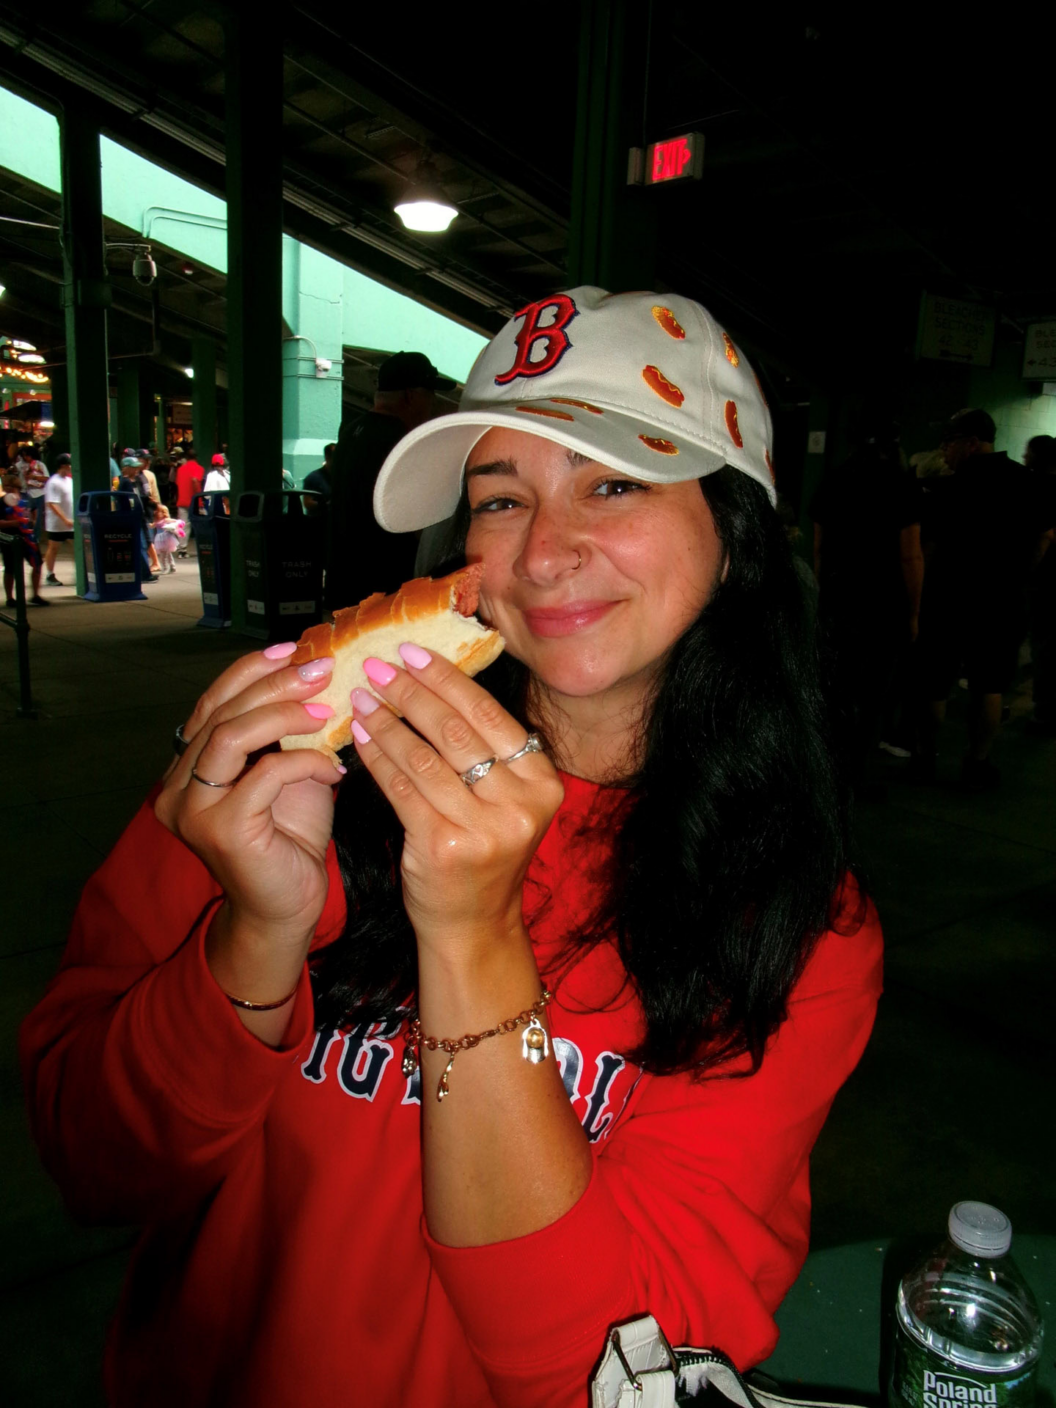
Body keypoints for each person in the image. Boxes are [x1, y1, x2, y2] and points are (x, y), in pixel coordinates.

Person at [20, 288, 882, 1408]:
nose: (546, 550)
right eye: (501, 495)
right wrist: (255, 934)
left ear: (734, 534)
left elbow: (611, 1373)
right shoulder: (281, 767)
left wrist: (471, 936)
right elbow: (91, 1159)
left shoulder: (800, 923)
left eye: (613, 481)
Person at [913, 409, 1055, 787]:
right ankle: (977, 762)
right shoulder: (1029, 483)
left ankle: (925, 758)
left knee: (934, 683)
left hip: (947, 600)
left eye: (949, 442)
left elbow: (928, 549)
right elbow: (1045, 535)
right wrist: (1022, 574)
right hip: (1002, 601)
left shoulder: (948, 489)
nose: (943, 451)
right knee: (989, 686)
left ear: (971, 443)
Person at [810, 415, 922, 795]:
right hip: (884, 604)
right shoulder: (903, 486)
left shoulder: (835, 479)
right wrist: (913, 612)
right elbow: (911, 557)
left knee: (834, 690)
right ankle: (854, 774)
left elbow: (820, 549)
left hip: (840, 600)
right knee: (873, 697)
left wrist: (824, 598)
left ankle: (827, 770)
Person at [327, 350, 453, 608]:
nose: (433, 404)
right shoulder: (404, 441)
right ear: (411, 396)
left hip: (344, 581)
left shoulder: (351, 432)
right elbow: (420, 524)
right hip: (385, 588)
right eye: (430, 394)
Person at [1023, 434, 1056, 733]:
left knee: (1044, 646)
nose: (1024, 458)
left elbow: (1044, 536)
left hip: (1046, 581)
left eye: (1028, 453)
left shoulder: (1039, 489)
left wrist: (1028, 571)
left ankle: (1045, 714)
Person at [1, 465, 46, 606]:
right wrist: (13, 523)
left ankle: (36, 595)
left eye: (7, 485)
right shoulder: (2, 502)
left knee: (37, 563)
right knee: (11, 568)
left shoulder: (27, 498)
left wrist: (32, 520)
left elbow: (34, 510)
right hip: (10, 539)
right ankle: (10, 598)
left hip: (28, 537)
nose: (5, 488)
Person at [43, 454, 75, 586]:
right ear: (63, 465)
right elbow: (52, 503)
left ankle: (80, 573)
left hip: (71, 522)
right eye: (69, 464)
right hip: (57, 524)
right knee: (53, 548)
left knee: (77, 547)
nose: (71, 467)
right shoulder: (53, 482)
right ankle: (50, 574)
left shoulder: (70, 480)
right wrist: (65, 519)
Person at [16, 442, 48, 543]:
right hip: (27, 492)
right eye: (24, 455)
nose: (26, 458)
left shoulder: (40, 465)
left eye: (27, 455)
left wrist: (34, 477)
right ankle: (26, 536)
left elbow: (46, 478)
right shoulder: (21, 465)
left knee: (38, 518)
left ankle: (36, 538)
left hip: (39, 493)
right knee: (26, 516)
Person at [301, 441, 335, 515]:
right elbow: (307, 503)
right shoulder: (313, 478)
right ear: (327, 457)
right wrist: (326, 505)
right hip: (318, 522)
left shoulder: (339, 477)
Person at [152, 501, 185, 575]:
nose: (157, 513)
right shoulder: (157, 521)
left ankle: (165, 568)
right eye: (157, 511)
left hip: (166, 538)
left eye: (159, 511)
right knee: (166, 554)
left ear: (164, 513)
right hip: (159, 539)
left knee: (164, 555)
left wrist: (178, 523)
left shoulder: (165, 520)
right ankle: (172, 566)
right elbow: (152, 526)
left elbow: (176, 521)